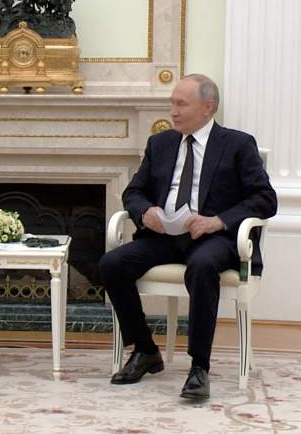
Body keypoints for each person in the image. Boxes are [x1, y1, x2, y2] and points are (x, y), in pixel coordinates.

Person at [99, 73, 277, 399]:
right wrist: (145, 212)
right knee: (111, 264)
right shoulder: (160, 144)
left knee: (203, 265)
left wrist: (218, 221)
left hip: (213, 240)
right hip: (164, 237)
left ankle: (199, 367)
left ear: (208, 107)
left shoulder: (237, 145)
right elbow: (133, 192)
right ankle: (145, 350)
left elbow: (265, 199)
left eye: (182, 104)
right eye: (172, 103)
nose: (173, 111)